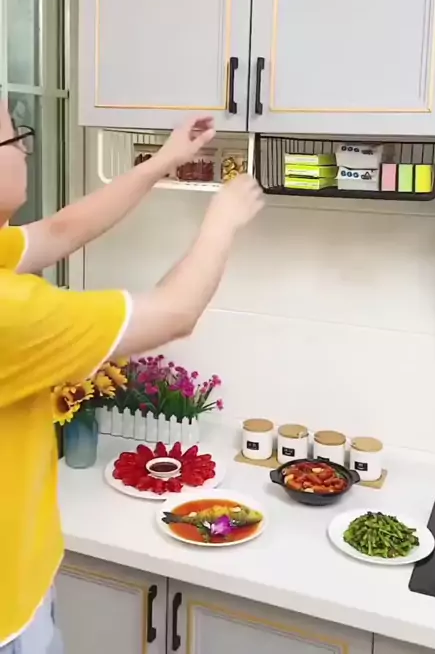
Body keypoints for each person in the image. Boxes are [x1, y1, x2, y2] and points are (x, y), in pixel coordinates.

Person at [0, 101, 264, 652]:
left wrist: (163, 160)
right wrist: (223, 218)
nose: (25, 149)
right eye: (14, 138)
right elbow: (175, 313)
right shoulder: (10, 311)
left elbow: (60, 231)